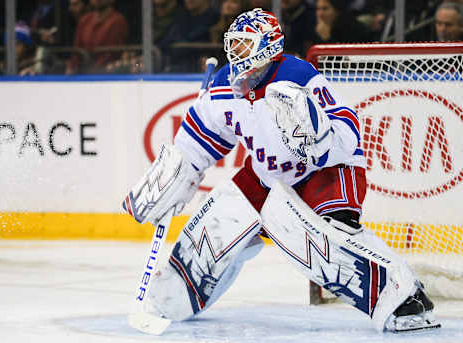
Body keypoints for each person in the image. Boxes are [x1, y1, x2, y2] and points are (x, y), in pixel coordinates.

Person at [122, 8, 440, 333]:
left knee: (322, 242)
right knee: (216, 226)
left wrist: (318, 137)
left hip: (325, 171)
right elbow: (195, 144)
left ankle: (404, 299)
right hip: (267, 175)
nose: (237, 52)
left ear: (268, 47)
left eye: (246, 45)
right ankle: (176, 293)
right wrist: (173, 178)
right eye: (234, 44)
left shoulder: (297, 75)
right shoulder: (224, 87)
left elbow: (348, 132)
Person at [66, 0, 128, 74]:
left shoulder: (118, 21)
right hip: (81, 75)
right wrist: (71, 68)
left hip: (105, 75)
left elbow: (111, 54)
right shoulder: (85, 20)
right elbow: (77, 51)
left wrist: (91, 72)